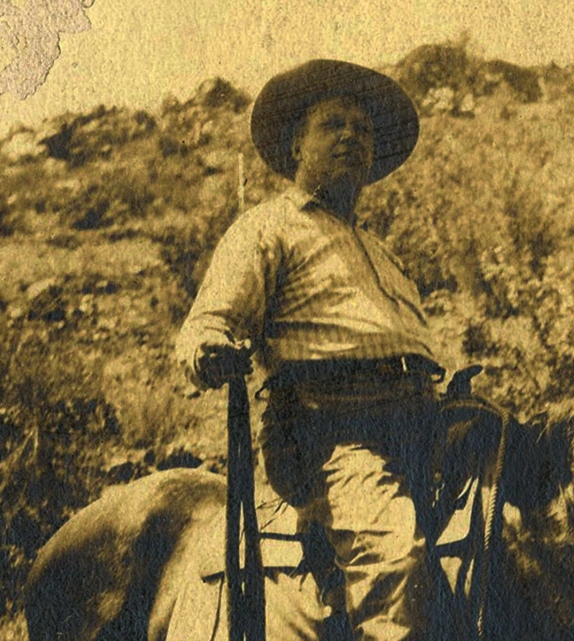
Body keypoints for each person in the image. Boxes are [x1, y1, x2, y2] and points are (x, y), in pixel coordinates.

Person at [174, 59, 443, 641]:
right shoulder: (268, 228)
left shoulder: (383, 252)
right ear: (297, 142)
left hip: (422, 420)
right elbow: (205, 324)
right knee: (394, 558)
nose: (352, 136)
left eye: (364, 129)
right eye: (334, 124)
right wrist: (211, 349)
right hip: (330, 434)